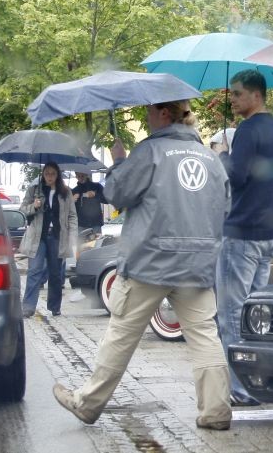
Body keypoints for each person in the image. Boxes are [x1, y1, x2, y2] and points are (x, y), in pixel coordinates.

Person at [53, 100, 233, 430]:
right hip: (196, 264)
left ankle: (87, 403)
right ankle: (216, 411)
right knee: (205, 336)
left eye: (150, 111)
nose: (147, 117)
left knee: (121, 334)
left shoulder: (149, 152)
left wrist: (119, 162)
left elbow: (116, 194)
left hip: (150, 261)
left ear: (164, 114)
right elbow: (225, 208)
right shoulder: (211, 159)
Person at [216, 69, 273, 407]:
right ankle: (258, 382)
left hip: (243, 235)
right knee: (256, 317)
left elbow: (236, 177)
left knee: (232, 315)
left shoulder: (247, 130)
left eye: (237, 94)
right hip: (270, 235)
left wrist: (223, 155)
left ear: (256, 95)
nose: (232, 100)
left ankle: (240, 388)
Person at [19, 162, 78, 317]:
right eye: (47, 173)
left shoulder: (66, 192)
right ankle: (28, 306)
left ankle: (54, 306)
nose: (49, 177)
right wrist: (34, 206)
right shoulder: (35, 190)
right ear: (43, 174)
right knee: (34, 270)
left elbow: (72, 216)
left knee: (55, 273)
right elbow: (23, 209)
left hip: (57, 236)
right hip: (38, 237)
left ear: (58, 175)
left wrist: (72, 236)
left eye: (53, 174)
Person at [72, 171, 108, 236]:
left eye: (82, 176)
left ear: (86, 175)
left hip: (96, 224)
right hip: (81, 225)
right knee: (81, 243)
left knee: (96, 242)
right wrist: (72, 201)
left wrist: (95, 195)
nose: (81, 178)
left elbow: (107, 200)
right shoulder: (74, 191)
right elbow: (70, 209)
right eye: (79, 176)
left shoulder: (97, 186)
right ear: (76, 177)